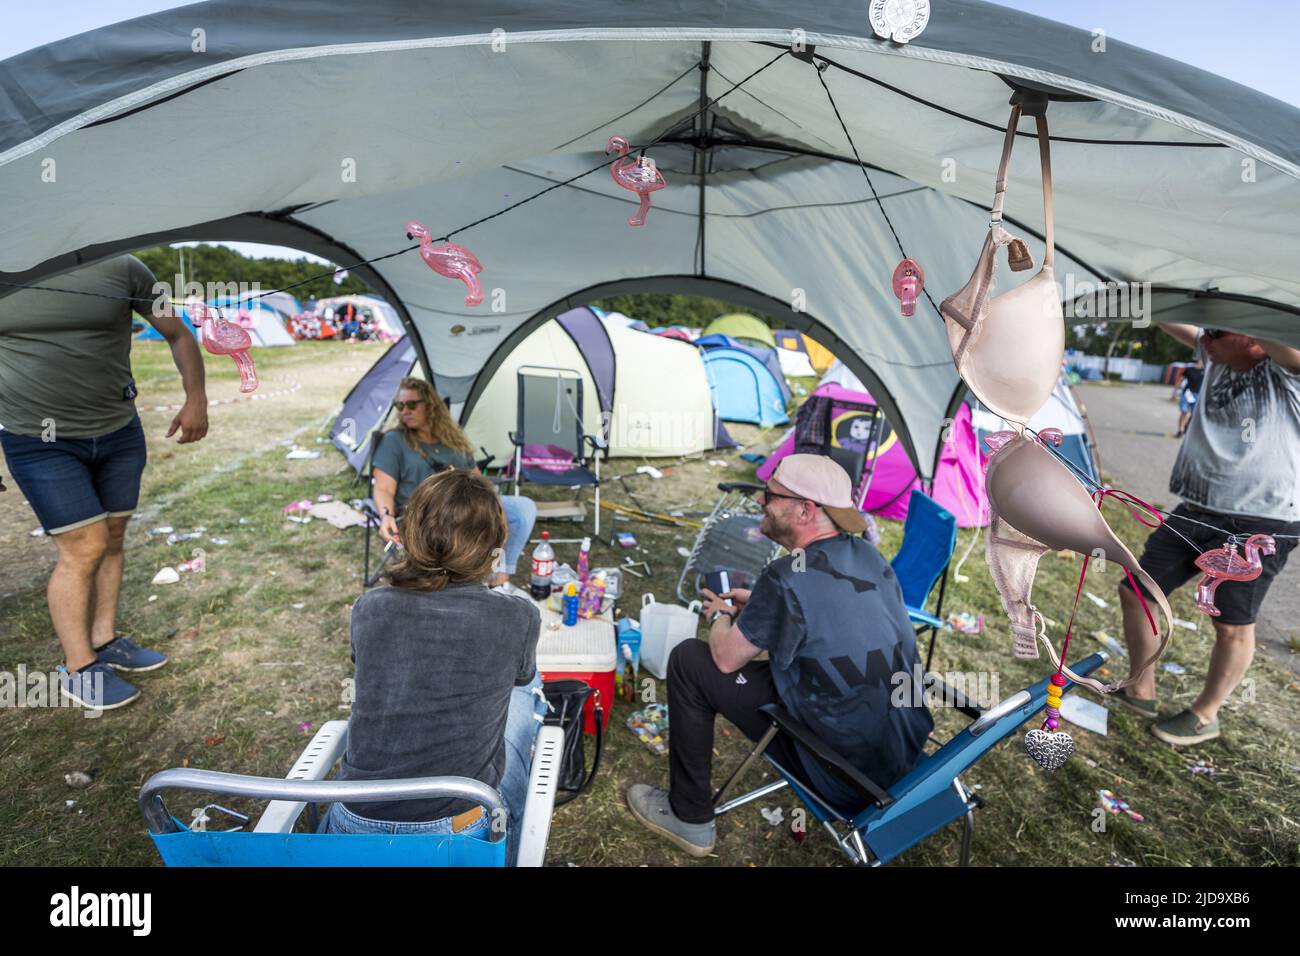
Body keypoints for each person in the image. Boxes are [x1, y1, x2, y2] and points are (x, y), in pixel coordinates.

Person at [626, 454, 933, 857]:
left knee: (689, 660)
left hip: (845, 775)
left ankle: (689, 818)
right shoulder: (867, 556)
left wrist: (719, 615)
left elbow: (724, 659)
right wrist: (758, 607)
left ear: (806, 509)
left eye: (769, 495)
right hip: (902, 757)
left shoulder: (786, 577)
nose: (759, 503)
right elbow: (831, 613)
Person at [0, 255, 208, 710]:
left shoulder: (123, 266)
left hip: (118, 431)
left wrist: (197, 398)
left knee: (113, 536)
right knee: (84, 546)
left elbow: (177, 333)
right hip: (38, 439)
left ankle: (106, 638)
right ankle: (79, 667)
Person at [322, 470, 546, 865]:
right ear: (495, 543)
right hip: (455, 828)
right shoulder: (517, 617)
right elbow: (519, 679)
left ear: (412, 533)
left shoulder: (370, 607)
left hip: (352, 818)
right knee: (526, 690)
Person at [1117, 324, 1300, 746]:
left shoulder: (1287, 368)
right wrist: (1140, 282)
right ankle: (1140, 688)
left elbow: (1287, 347)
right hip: (1198, 507)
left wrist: (1244, 307)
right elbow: (1178, 320)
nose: (1206, 339)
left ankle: (1205, 714)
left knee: (1231, 621)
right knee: (1138, 590)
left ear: (1253, 337)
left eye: (1218, 332)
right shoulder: (1215, 353)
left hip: (1264, 521)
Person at [372, 377, 536, 586]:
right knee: (471, 530)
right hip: (429, 514)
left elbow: (477, 479)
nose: (404, 410)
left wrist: (492, 504)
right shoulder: (394, 442)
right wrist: (386, 515)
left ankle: (500, 572)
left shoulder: (452, 438)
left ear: (430, 406)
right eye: (400, 405)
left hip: (468, 505)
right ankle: (479, 577)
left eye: (412, 404)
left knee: (524, 508)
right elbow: (384, 488)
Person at [1175, 357, 1204, 437]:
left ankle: (1186, 427)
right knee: (1185, 412)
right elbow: (1180, 379)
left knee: (1193, 414)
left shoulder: (1205, 371)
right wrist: (1175, 391)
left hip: (1198, 394)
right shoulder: (1190, 369)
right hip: (1189, 392)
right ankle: (1181, 430)